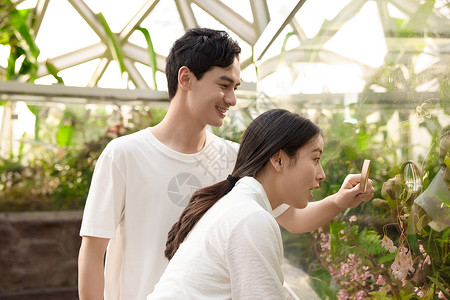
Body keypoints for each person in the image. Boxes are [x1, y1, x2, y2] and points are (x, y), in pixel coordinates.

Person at [78, 28, 374, 300]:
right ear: (186, 78)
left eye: (236, 87)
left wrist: (339, 201)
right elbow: (93, 253)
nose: (232, 99)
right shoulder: (124, 154)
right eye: (224, 85)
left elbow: (294, 219)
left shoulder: (234, 158)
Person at [147, 109, 369, 299]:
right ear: (279, 159)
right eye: (315, 159)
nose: (321, 174)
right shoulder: (250, 218)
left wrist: (340, 201)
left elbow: (298, 221)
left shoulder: (241, 203)